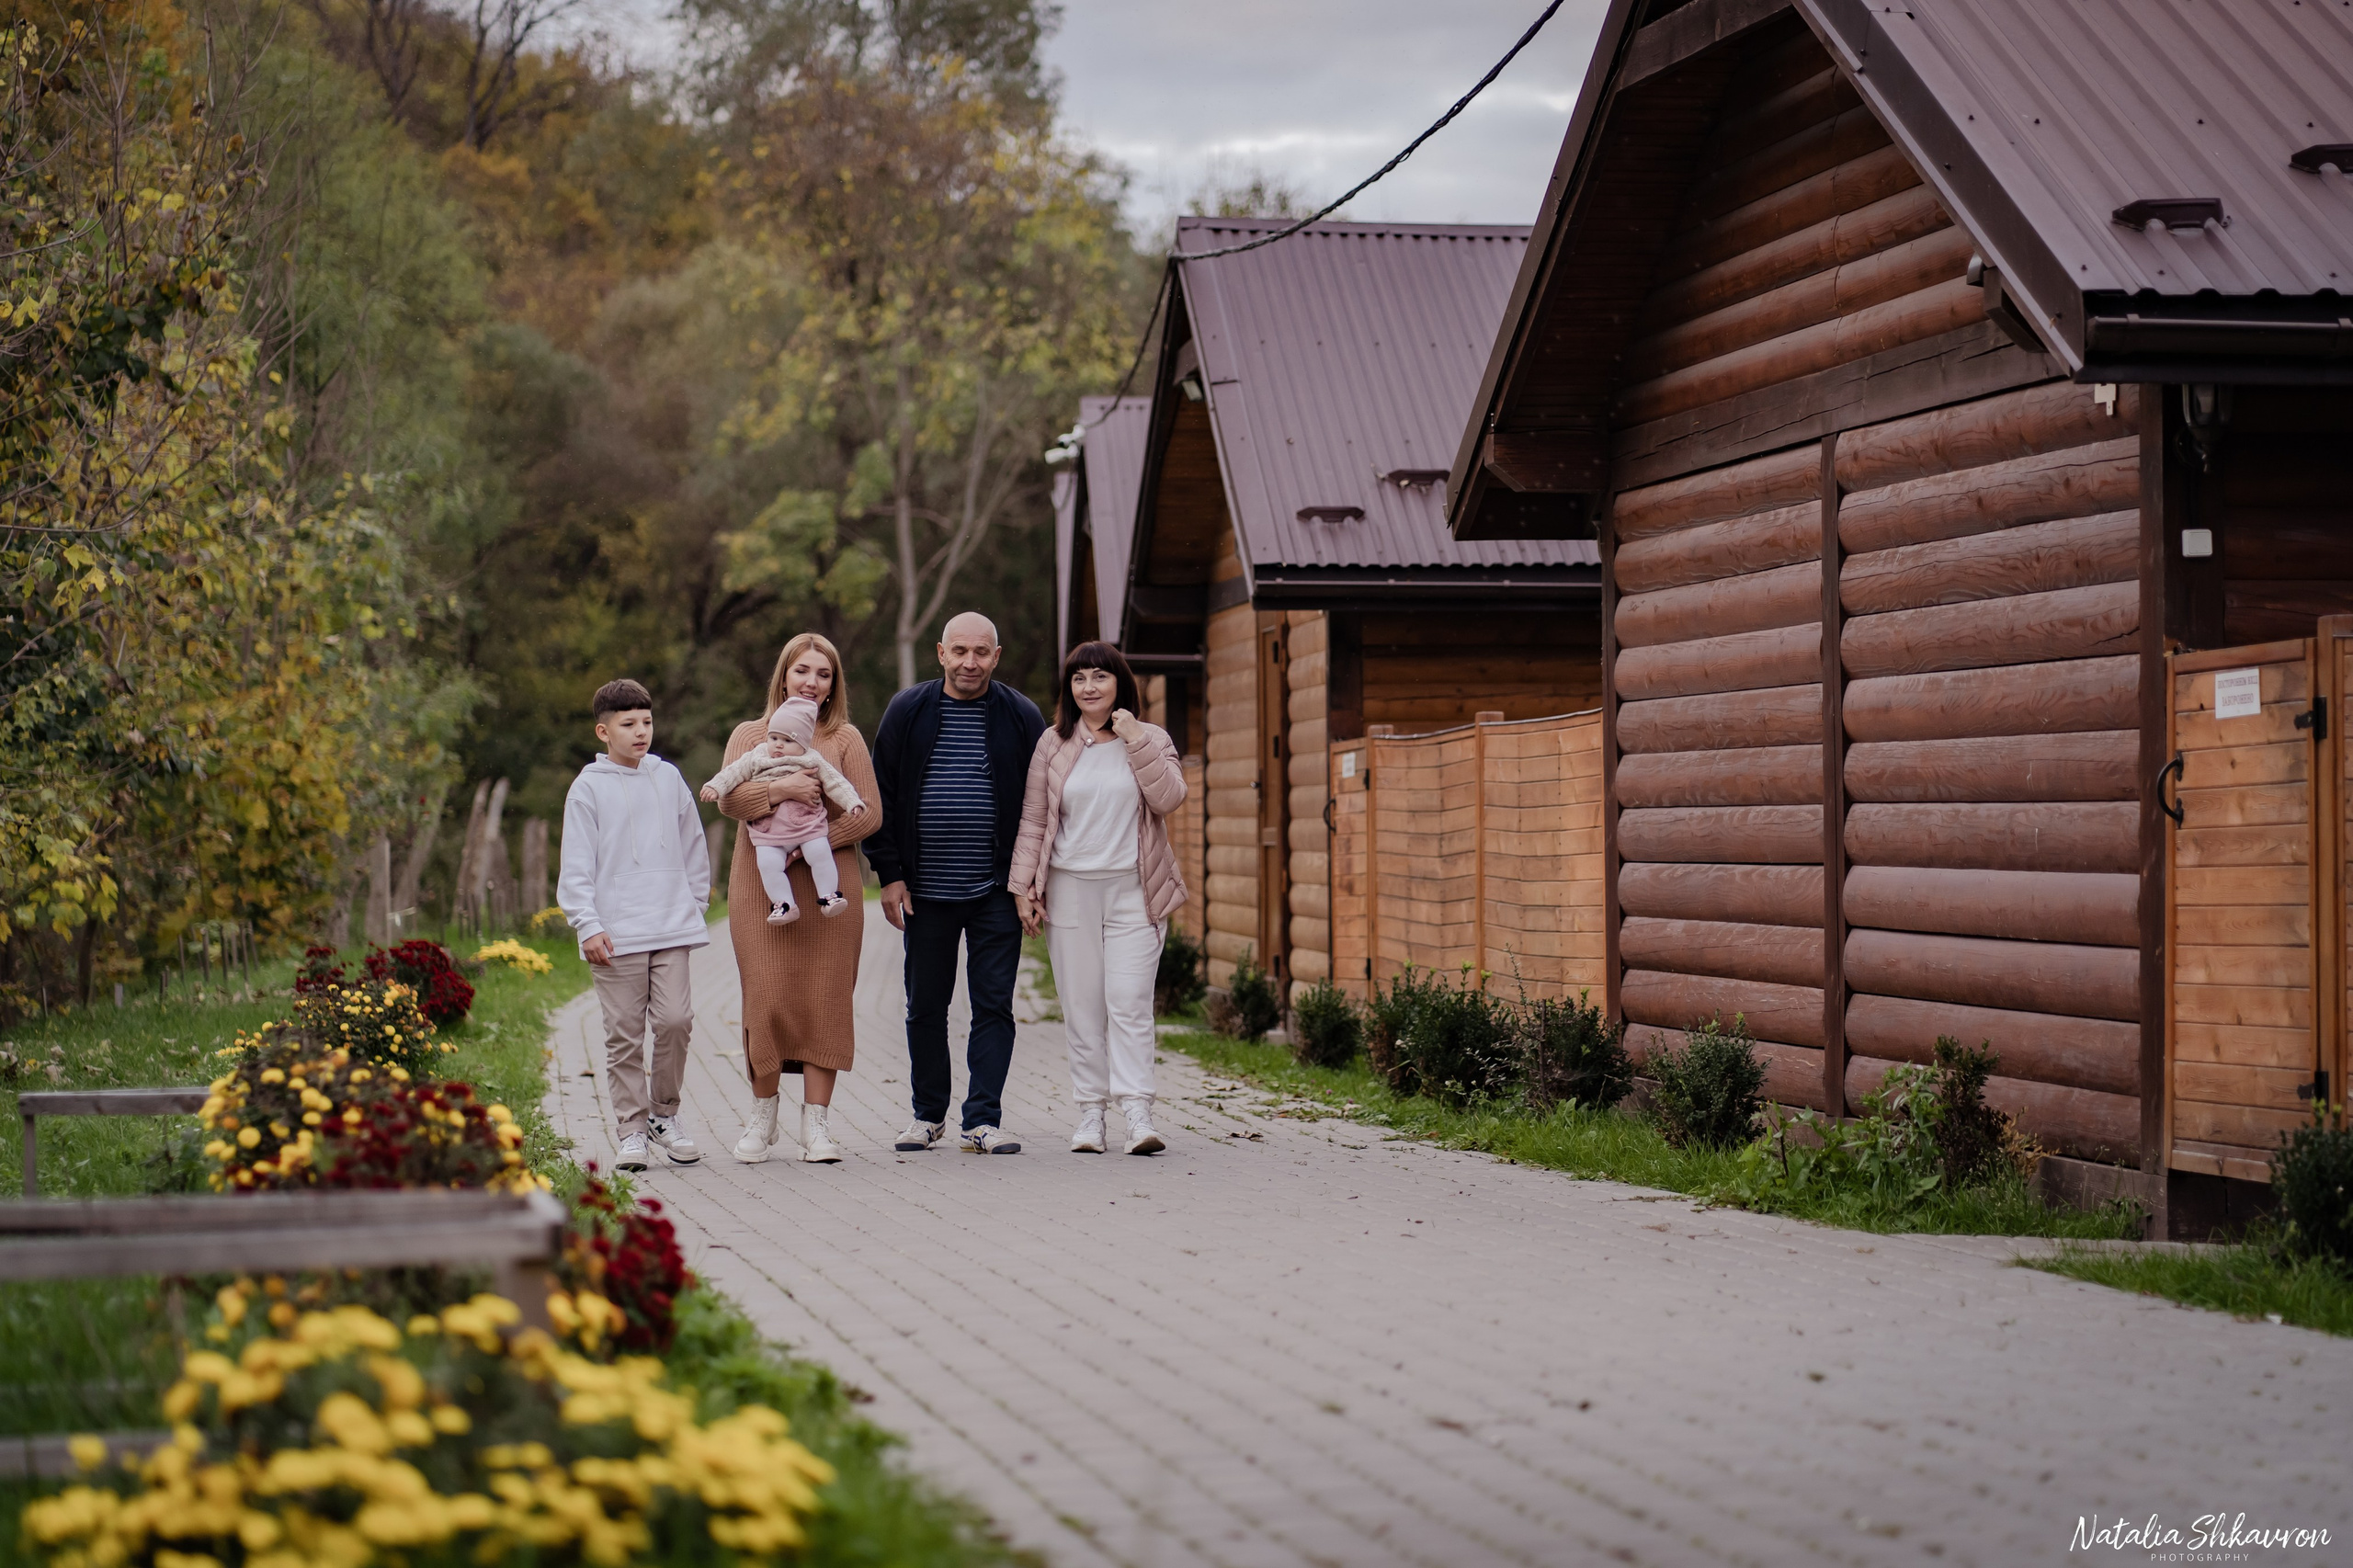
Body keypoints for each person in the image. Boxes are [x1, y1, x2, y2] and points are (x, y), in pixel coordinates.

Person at [869, 611, 1047, 1154]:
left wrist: (1029, 883)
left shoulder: (1021, 716)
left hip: (996, 889)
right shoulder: (908, 710)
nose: (971, 662)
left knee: (993, 1005)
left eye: (982, 652)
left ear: (997, 655)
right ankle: (927, 1115)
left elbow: (1041, 806)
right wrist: (891, 876)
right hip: (925, 892)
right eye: (960, 651)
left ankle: (982, 1120)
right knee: (925, 1004)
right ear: (941, 653)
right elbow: (883, 797)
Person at [1010, 642, 1188, 1155]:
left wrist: (1135, 739)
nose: (1090, 687)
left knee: (1129, 1003)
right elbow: (1035, 819)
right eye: (1079, 678)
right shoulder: (1054, 743)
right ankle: (1091, 1113)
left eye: (1100, 678)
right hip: (1070, 891)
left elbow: (1170, 798)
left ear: (1120, 684)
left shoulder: (1150, 738)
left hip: (1136, 889)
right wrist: (1024, 889)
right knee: (1082, 1006)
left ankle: (1138, 1112)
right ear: (1069, 688)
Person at [713, 633, 881, 1165]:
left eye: (824, 674)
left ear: (835, 685)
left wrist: (806, 848)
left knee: (825, 1001)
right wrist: (784, 793)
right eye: (802, 670)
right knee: (765, 999)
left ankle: (818, 1125)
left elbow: (869, 813)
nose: (812, 682)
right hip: (761, 893)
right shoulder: (751, 735)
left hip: (829, 890)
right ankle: (763, 1117)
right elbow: (731, 798)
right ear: (783, 675)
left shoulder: (845, 739)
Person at [557, 677, 710, 1173]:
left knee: (675, 1022)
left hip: (671, 925)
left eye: (647, 722)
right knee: (624, 1035)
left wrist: (694, 901)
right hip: (615, 933)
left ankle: (664, 1116)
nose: (641, 732)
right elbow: (576, 864)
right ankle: (631, 1131)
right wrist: (586, 924)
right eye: (629, 724)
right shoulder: (588, 789)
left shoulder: (667, 778)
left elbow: (693, 842)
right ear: (604, 731)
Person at [700, 696, 866, 925]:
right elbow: (732, 773)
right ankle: (784, 904)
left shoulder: (811, 759)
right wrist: (715, 787)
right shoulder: (757, 756)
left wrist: (852, 802)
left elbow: (835, 782)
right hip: (769, 832)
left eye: (787, 740)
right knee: (768, 866)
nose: (778, 745)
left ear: (803, 745)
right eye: (774, 737)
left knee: (820, 853)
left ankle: (829, 895)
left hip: (807, 824)